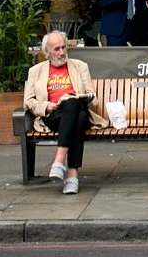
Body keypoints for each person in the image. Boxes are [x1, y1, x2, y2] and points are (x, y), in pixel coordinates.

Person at [22, 31, 106, 195]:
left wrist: (75, 98)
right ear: (47, 52)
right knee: (78, 119)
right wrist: (47, 106)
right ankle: (72, 174)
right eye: (56, 49)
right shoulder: (36, 71)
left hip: (78, 107)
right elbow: (29, 100)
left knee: (72, 104)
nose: (61, 52)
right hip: (54, 115)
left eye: (63, 47)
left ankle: (59, 161)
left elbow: (92, 97)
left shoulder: (80, 66)